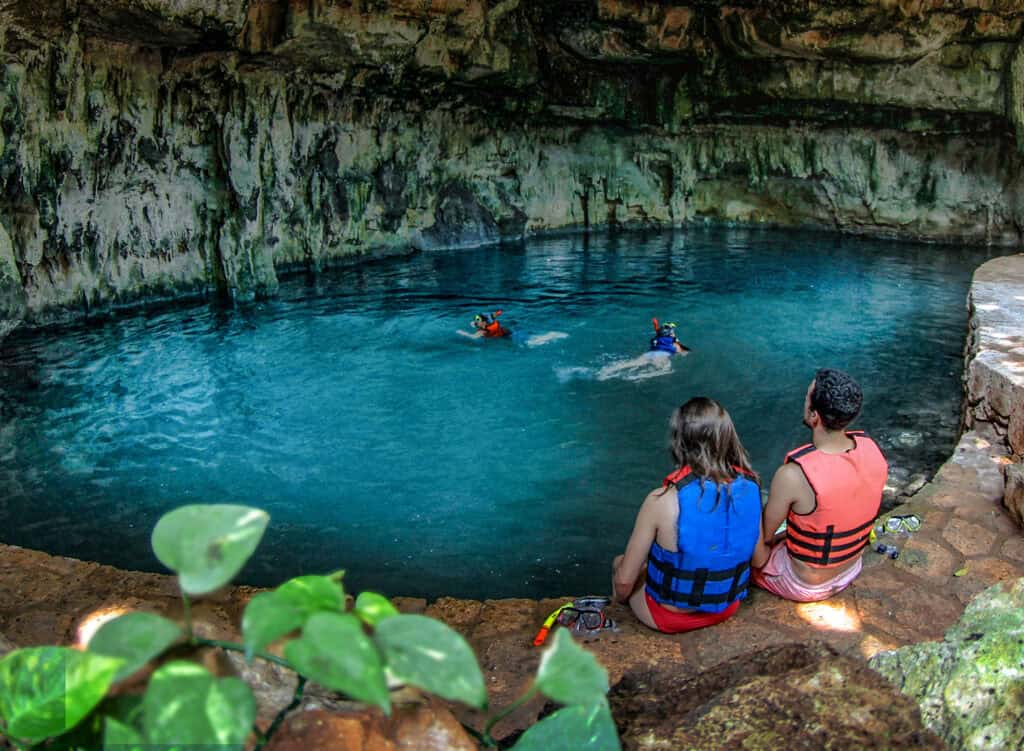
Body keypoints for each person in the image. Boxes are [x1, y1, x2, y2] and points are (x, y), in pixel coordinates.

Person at [612, 398, 762, 633]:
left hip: (669, 617)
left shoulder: (661, 500)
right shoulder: (751, 488)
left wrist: (620, 602)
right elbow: (758, 559)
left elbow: (623, 582)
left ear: (679, 442)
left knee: (620, 564)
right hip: (726, 607)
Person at [750, 368, 888, 602]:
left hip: (804, 583)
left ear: (814, 416)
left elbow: (764, 537)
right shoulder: (872, 449)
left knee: (747, 510)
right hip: (851, 567)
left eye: (806, 398)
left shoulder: (793, 475)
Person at [595, 318, 689, 381]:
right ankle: (638, 377)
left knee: (631, 363)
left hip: (649, 354)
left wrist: (655, 323)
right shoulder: (674, 341)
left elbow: (657, 330)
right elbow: (681, 350)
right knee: (665, 369)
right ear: (671, 333)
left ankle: (607, 371)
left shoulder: (658, 336)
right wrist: (686, 352)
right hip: (661, 356)